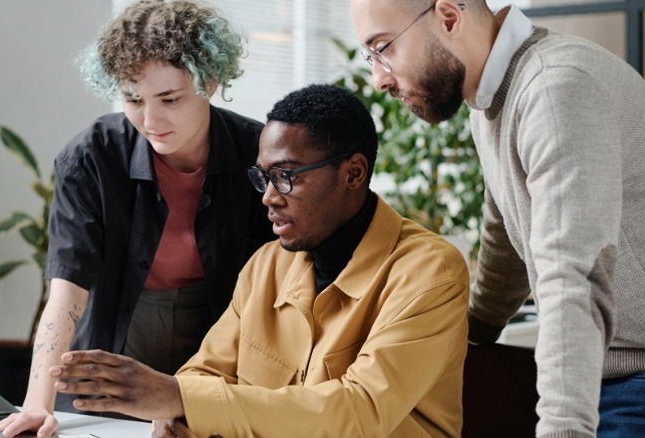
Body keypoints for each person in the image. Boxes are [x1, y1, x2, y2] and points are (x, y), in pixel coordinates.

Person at [350, 0, 645, 437]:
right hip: (610, 358)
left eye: (383, 48)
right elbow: (505, 234)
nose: (378, 77)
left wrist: (562, 428)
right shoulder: (490, 98)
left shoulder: (554, 90)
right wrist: (472, 333)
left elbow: (572, 276)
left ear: (448, 17)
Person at [44, 83, 470, 437]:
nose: (268, 196)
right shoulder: (268, 264)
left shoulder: (431, 272)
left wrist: (180, 399)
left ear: (353, 173)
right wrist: (178, 416)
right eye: (264, 177)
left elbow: (359, 411)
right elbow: (205, 372)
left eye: (287, 175)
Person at [0, 1, 275, 437]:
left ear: (211, 81)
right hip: (112, 352)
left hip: (219, 352)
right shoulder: (91, 155)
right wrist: (36, 404)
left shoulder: (258, 152)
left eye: (170, 99)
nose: (151, 120)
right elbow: (67, 290)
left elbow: (280, 288)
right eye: (132, 99)